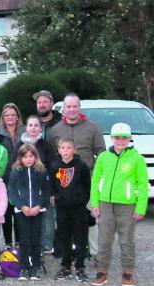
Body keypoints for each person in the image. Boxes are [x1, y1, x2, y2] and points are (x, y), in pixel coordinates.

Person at [46, 93, 106, 257]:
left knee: (91, 218)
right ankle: (68, 252)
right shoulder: (55, 130)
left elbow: (101, 153)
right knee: (65, 220)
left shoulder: (92, 127)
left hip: (87, 182)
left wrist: (98, 177)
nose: (71, 109)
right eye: (68, 106)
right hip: (63, 184)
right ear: (63, 109)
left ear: (79, 108)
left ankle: (94, 254)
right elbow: (52, 155)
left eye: (75, 106)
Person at [90, 123, 148, 286]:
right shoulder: (103, 157)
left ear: (129, 139)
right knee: (104, 240)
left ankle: (127, 272)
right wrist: (95, 202)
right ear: (112, 138)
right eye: (117, 137)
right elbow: (96, 181)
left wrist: (140, 207)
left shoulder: (137, 159)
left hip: (127, 205)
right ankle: (102, 271)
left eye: (124, 138)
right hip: (105, 203)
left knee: (126, 240)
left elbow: (142, 184)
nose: (120, 141)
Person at [49, 138, 91, 282]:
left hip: (78, 208)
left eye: (68, 148)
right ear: (59, 150)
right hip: (62, 208)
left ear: (75, 150)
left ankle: (80, 266)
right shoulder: (55, 166)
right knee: (64, 237)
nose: (66, 151)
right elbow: (53, 185)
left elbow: (87, 185)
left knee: (80, 238)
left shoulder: (81, 166)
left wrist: (81, 200)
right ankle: (66, 266)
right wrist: (55, 197)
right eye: (63, 148)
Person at [8, 144, 50, 281]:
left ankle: (35, 267)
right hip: (22, 211)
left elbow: (46, 191)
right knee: (24, 240)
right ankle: (24, 266)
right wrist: (22, 206)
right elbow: (12, 192)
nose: (28, 159)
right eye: (25, 156)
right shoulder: (16, 171)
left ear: (35, 156)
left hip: (38, 210)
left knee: (36, 239)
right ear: (20, 158)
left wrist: (38, 206)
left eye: (31, 156)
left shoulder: (41, 170)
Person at [16, 115, 57, 253]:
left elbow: (53, 168)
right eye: (30, 125)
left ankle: (46, 245)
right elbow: (14, 166)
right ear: (26, 127)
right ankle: (29, 246)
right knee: (27, 219)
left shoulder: (45, 145)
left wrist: (51, 191)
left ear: (40, 128)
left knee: (47, 218)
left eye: (36, 125)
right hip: (24, 190)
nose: (33, 128)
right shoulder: (19, 144)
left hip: (42, 188)